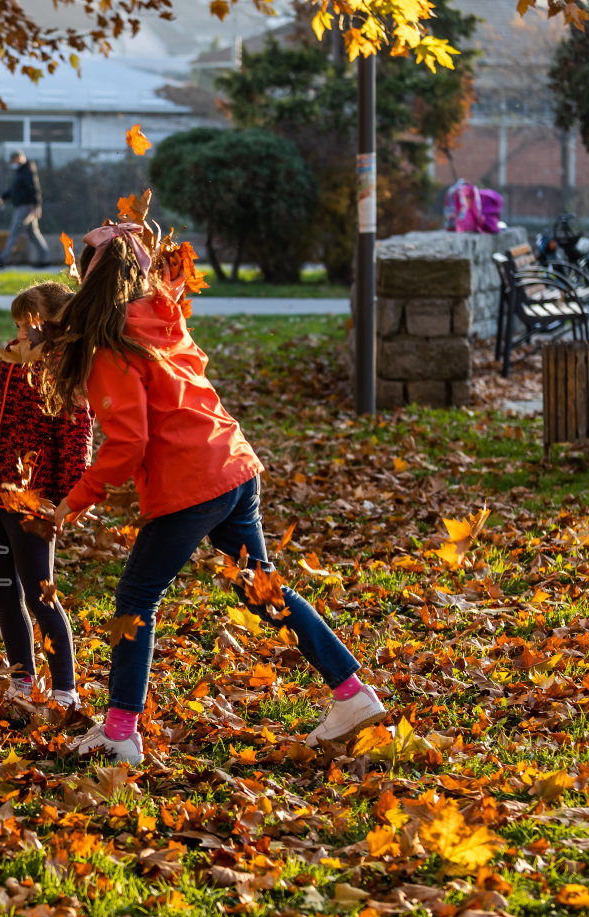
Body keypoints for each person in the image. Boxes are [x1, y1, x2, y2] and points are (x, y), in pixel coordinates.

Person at [46, 221, 388, 765]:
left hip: (192, 485)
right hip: (234, 467)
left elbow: (128, 441)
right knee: (261, 588)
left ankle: (119, 734)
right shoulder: (163, 316)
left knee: (136, 599)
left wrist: (76, 499)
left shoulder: (113, 346)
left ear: (89, 282)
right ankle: (352, 693)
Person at [0, 281, 91, 710]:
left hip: (32, 500)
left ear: (55, 327)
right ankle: (22, 678)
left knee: (40, 594)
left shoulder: (65, 371)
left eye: (27, 326)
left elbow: (76, 436)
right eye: (16, 326)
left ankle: (66, 689)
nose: (18, 334)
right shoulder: (10, 360)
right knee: (4, 592)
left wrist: (71, 494)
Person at [0, 151, 49, 268]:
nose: (13, 164)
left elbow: (34, 189)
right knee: (33, 234)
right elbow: (14, 189)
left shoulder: (27, 171)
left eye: (13, 161)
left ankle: (2, 259)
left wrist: (37, 206)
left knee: (14, 232)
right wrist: (3, 197)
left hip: (26, 207)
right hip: (24, 207)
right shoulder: (20, 172)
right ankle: (44, 258)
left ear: (19, 158)